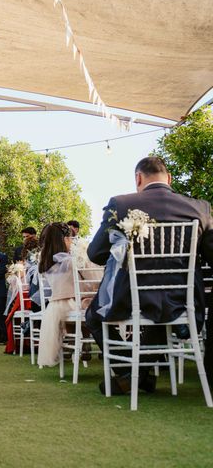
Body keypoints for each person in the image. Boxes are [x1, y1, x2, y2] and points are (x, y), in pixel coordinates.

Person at [86, 156, 213, 395]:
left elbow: (95, 253)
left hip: (132, 297)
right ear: (170, 179)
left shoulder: (120, 204)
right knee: (158, 316)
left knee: (93, 315)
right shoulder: (200, 208)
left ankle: (129, 371)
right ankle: (138, 373)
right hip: (183, 300)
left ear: (138, 178)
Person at [36, 223, 76, 367]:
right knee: (90, 303)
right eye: (70, 239)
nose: (72, 242)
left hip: (54, 306)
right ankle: (82, 342)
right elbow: (89, 284)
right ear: (64, 240)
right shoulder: (71, 261)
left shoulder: (45, 261)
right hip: (72, 303)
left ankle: (76, 342)